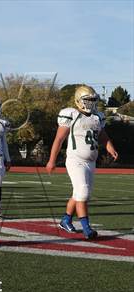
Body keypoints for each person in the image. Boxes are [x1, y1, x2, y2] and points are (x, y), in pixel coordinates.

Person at [46, 85, 118, 239]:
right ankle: (86, 229)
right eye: (88, 100)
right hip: (75, 159)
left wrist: (110, 146)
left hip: (91, 162)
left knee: (80, 193)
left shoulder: (97, 117)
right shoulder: (71, 115)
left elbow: (102, 134)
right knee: (83, 192)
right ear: (79, 100)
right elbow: (59, 139)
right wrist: (52, 160)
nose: (91, 103)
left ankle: (66, 220)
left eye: (93, 100)